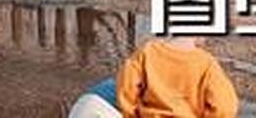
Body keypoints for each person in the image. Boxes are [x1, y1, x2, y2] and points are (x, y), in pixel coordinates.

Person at [77, 36, 238, 118]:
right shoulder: (207, 64)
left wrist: (132, 115)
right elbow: (225, 106)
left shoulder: (148, 51)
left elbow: (126, 87)